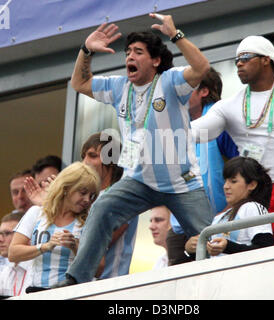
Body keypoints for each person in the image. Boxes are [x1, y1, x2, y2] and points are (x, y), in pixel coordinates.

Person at [53, 12, 213, 287]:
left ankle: (223, 281)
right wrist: (86, 50)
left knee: (211, 238)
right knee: (102, 207)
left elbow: (201, 68)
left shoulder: (171, 81)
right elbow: (79, 83)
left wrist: (175, 34)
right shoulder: (118, 86)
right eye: (128, 52)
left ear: (156, 60)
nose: (130, 57)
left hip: (181, 183)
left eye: (138, 52)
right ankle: (76, 278)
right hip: (137, 181)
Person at [191, 35, 274, 245]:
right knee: (253, 261)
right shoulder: (229, 105)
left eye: (245, 57)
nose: (239, 63)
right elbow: (194, 133)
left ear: (267, 59)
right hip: (249, 196)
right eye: (236, 59)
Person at [167, 68, 239, 265]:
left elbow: (242, 173)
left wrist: (222, 217)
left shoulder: (223, 127)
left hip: (219, 226)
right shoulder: (173, 127)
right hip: (179, 230)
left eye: (184, 89)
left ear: (203, 91)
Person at [8, 162, 100, 291]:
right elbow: (13, 254)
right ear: (66, 188)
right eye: (83, 192)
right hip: (37, 291)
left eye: (92, 196)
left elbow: (99, 269)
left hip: (72, 293)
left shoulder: (90, 221)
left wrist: (75, 247)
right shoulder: (36, 212)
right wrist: (45, 246)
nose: (87, 200)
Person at [185, 156, 274, 258]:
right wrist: (191, 250)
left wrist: (228, 247)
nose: (226, 186)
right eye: (225, 181)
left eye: (233, 181)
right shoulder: (218, 218)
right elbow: (209, 258)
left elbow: (265, 249)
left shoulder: (253, 207)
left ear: (252, 185)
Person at [81, 131, 138, 279]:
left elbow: (99, 240)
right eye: (83, 157)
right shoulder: (86, 198)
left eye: (92, 156)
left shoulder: (123, 196)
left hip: (110, 285)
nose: (85, 162)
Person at [0, 212, 32, 298]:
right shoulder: (7, 270)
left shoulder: (37, 269)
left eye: (7, 233)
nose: (0, 239)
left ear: (25, 235)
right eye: (0, 234)